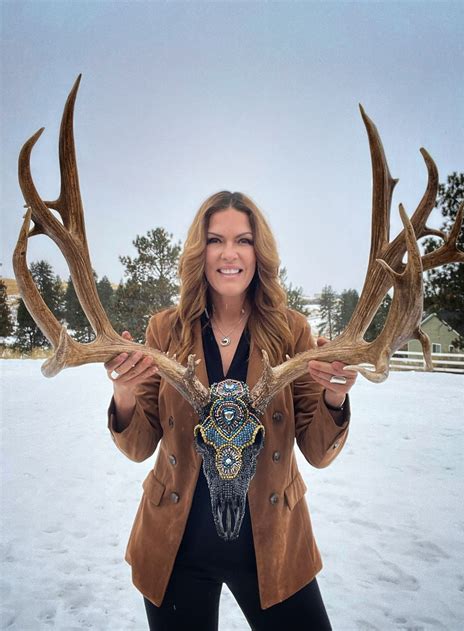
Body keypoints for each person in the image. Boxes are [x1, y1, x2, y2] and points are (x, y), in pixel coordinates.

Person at [104, 191, 357, 630]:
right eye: (215, 240)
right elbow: (140, 444)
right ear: (199, 252)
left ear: (260, 252)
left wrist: (332, 396)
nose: (229, 254)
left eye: (243, 240)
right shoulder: (165, 329)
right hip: (175, 546)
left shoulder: (291, 330)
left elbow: (317, 452)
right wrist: (125, 393)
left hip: (273, 546)